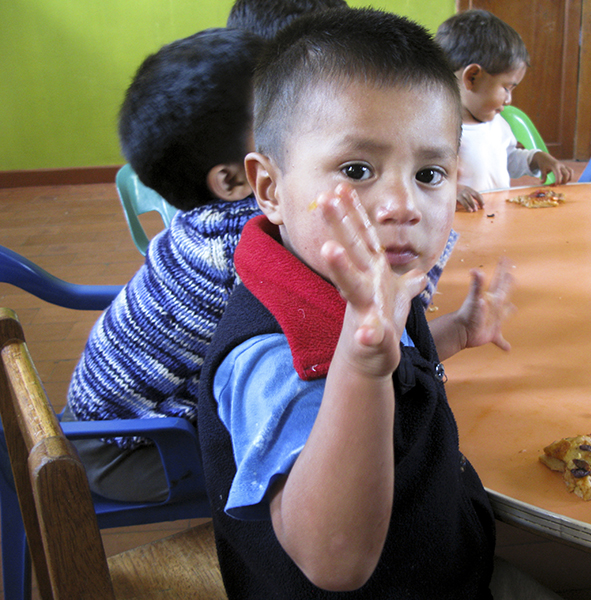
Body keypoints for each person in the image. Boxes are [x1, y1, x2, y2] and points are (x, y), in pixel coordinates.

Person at [197, 8, 562, 599]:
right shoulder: (280, 358)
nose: (403, 204)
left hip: (441, 565)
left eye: (429, 172)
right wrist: (361, 364)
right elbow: (332, 560)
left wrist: (453, 334)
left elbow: (399, 366)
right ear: (271, 189)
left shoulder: (368, 290)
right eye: (358, 169)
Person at [64, 28, 268, 503]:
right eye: (284, 112)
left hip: (109, 420)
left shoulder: (214, 221)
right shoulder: (244, 245)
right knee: (312, 460)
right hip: (131, 451)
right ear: (235, 179)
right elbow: (336, 320)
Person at [435, 9, 573, 212]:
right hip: (457, 232)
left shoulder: (497, 124)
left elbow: (505, 159)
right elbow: (419, 177)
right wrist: (449, 191)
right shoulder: (435, 130)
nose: (509, 100)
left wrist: (534, 159)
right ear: (472, 77)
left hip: (496, 221)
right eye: (506, 88)